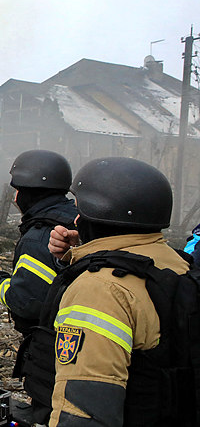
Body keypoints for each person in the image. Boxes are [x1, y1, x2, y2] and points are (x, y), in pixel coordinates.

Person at [40, 157, 190, 426]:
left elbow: (85, 412)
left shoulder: (100, 290)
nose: (76, 219)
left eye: (80, 210)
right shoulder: (179, 264)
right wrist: (84, 251)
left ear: (100, 213)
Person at [0, 149, 77, 423]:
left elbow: (27, 302)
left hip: (52, 349)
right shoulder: (75, 220)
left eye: (18, 191)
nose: (14, 198)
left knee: (50, 413)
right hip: (77, 343)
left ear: (29, 193)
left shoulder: (38, 237)